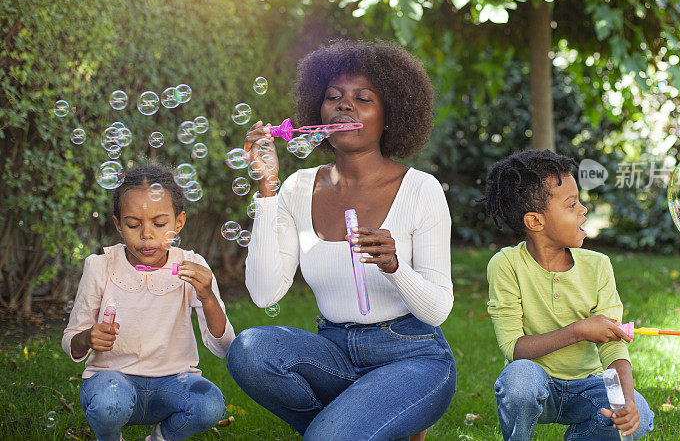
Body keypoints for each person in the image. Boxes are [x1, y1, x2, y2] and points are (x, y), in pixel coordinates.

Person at [226, 40, 456, 440]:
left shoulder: (421, 189)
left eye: (362, 98)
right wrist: (267, 189)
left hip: (412, 355)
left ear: (390, 115)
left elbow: (438, 310)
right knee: (249, 350)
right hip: (333, 353)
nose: (344, 105)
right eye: (333, 97)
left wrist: (395, 267)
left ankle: (357, 422)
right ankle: (368, 422)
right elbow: (264, 294)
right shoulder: (297, 188)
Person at [479, 149, 655, 440]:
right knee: (519, 380)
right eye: (571, 205)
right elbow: (514, 348)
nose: (583, 210)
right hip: (537, 384)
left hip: (589, 385)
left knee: (641, 416)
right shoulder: (506, 264)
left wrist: (627, 399)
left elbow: (612, 348)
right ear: (535, 222)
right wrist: (579, 331)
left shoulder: (598, 265)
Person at [62, 164, 234, 441]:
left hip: (173, 383)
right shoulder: (101, 266)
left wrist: (208, 296)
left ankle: (159, 438)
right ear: (118, 225)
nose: (146, 234)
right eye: (133, 224)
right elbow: (71, 340)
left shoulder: (190, 266)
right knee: (108, 403)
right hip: (113, 381)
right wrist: (87, 338)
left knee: (210, 404)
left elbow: (223, 345)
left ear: (178, 223)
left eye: (159, 223)